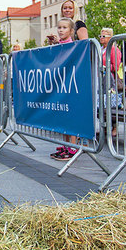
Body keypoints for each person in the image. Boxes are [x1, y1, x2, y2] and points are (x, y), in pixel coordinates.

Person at [47, 18, 77, 160]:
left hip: (70, 85)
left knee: (71, 117)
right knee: (63, 117)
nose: (61, 30)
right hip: (60, 85)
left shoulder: (73, 45)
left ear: (71, 31)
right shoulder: (59, 45)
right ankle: (65, 145)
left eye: (64, 28)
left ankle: (73, 147)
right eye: (59, 27)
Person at [99, 27, 123, 137]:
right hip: (101, 80)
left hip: (110, 80)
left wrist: (105, 67)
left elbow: (116, 66)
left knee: (111, 103)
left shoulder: (114, 49)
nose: (101, 38)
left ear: (110, 37)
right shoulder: (100, 49)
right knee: (101, 103)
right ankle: (104, 126)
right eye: (100, 36)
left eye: (104, 36)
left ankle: (114, 127)